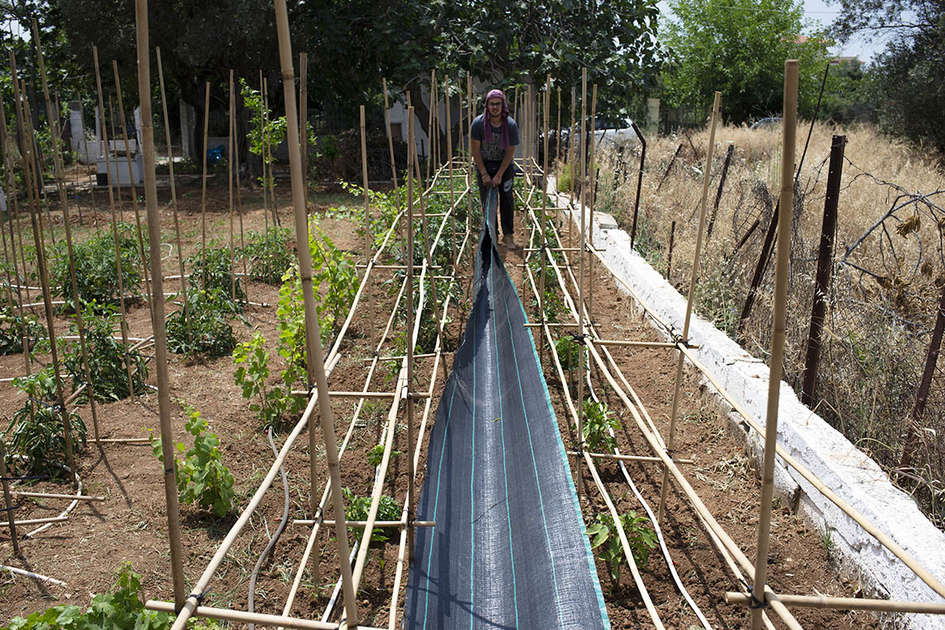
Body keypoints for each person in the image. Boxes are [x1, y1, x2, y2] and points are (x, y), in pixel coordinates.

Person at [470, 89, 519, 247]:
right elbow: (475, 151)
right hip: (484, 164)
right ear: (487, 106)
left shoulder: (510, 125)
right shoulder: (478, 124)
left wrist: (499, 174)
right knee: (488, 202)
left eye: (498, 104)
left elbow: (510, 152)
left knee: (506, 200)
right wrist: (484, 174)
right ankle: (492, 236)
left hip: (504, 167)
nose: (495, 107)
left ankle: (508, 235)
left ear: (502, 105)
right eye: (492, 104)